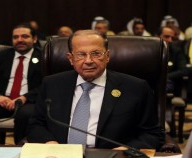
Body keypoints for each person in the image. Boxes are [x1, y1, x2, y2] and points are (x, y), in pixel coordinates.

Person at [27, 30, 165, 149]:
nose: (88, 61)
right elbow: (36, 124)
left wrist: (125, 150)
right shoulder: (52, 84)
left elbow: (153, 134)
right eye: (81, 54)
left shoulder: (135, 88)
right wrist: (50, 143)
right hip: (59, 156)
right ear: (70, 58)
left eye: (96, 53)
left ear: (107, 56)